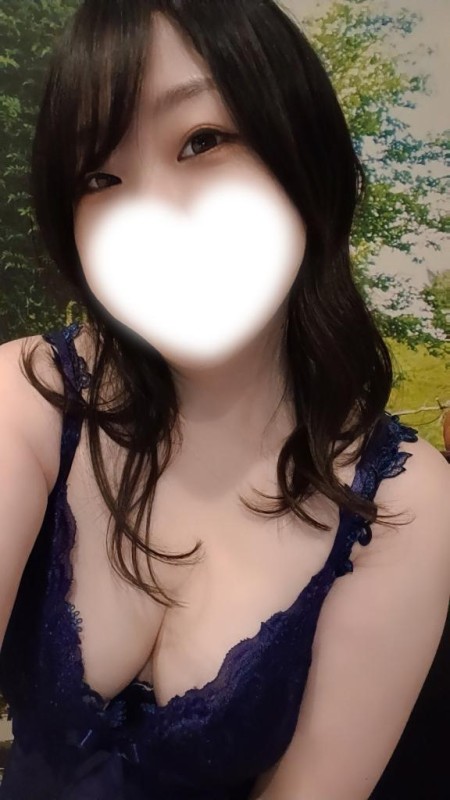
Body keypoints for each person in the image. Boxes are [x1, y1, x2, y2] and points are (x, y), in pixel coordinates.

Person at [0, 1, 449, 798]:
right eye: (100, 177)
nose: (153, 216)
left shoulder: (406, 502)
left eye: (202, 140)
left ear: (299, 148)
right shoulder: (29, 396)